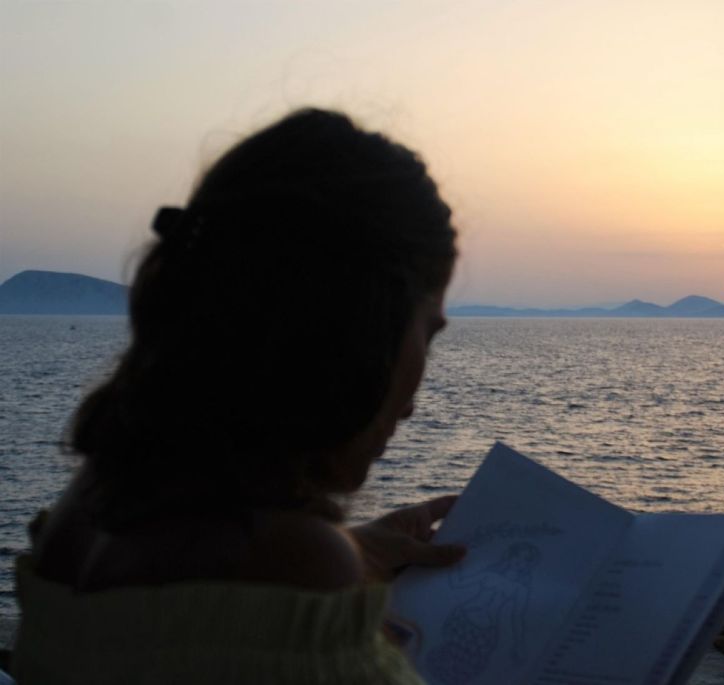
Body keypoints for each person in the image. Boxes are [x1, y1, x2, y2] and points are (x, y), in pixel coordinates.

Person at [12, 108, 466, 684]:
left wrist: (356, 555)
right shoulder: (301, 570)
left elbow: (185, 621)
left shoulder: (86, 514)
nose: (411, 404)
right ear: (357, 333)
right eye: (427, 333)